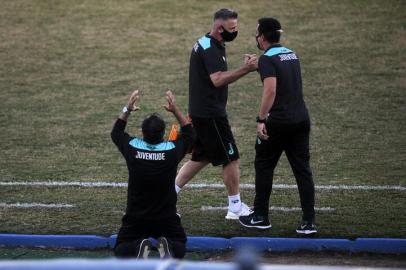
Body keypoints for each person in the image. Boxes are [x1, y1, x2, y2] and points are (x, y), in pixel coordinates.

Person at [174, 8, 258, 220]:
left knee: (201, 157)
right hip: (210, 114)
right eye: (232, 28)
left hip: (202, 111)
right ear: (220, 28)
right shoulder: (210, 48)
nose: (235, 31)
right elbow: (217, 79)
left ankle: (166, 196)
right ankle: (235, 207)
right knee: (231, 158)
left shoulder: (208, 42)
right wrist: (245, 69)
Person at [239, 18, 317, 234]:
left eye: (257, 33)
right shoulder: (292, 54)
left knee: (264, 165)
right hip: (301, 119)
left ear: (262, 37)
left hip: (278, 122)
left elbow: (271, 90)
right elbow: (283, 77)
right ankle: (309, 222)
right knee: (302, 170)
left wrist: (261, 119)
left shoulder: (267, 60)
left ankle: (261, 216)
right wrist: (258, 67)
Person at [111, 89, 194, 259]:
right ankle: (167, 246)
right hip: (166, 216)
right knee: (179, 245)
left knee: (121, 247)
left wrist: (127, 108)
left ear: (142, 133)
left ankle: (138, 246)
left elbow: (116, 133)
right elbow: (189, 134)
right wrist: (175, 109)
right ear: (163, 134)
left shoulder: (133, 147)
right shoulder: (171, 151)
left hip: (136, 216)